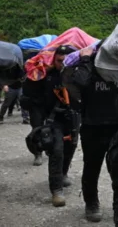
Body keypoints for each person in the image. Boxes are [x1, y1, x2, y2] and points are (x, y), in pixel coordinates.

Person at [64, 42, 118, 225]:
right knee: (91, 168)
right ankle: (91, 203)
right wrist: (86, 59)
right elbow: (80, 82)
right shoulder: (90, 64)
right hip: (93, 126)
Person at [41, 45, 79, 207]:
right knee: (56, 151)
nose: (61, 64)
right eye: (58, 60)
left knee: (70, 147)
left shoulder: (78, 75)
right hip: (54, 119)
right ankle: (56, 190)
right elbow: (36, 99)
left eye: (65, 61)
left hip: (73, 119)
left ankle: (63, 173)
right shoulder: (47, 76)